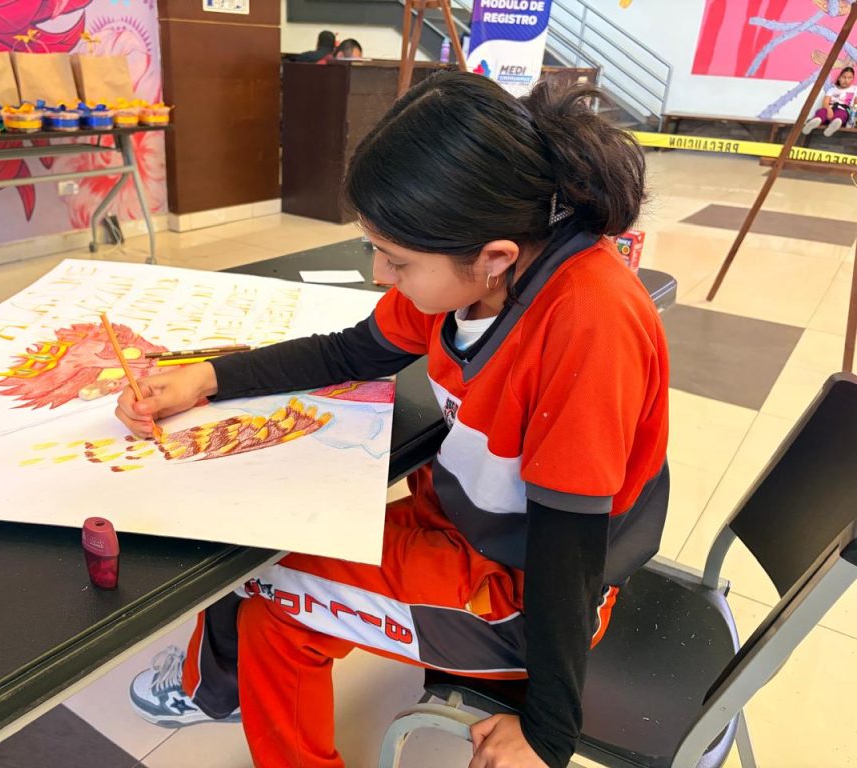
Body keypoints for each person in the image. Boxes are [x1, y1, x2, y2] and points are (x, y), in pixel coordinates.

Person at [119, 72, 670, 768]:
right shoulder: (476, 257)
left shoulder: (588, 324)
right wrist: (207, 376)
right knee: (256, 556)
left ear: (495, 258)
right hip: (466, 526)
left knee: (259, 590)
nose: (382, 275)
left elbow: (570, 545)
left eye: (398, 261)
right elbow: (352, 351)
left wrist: (547, 734)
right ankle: (221, 687)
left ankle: (218, 690)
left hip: (524, 592)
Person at [802, 65, 855, 137]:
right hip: (830, 107)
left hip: (843, 109)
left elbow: (855, 105)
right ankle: (816, 121)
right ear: (839, 78)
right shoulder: (832, 89)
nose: (846, 80)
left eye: (849, 78)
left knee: (841, 115)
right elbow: (825, 103)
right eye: (844, 77)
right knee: (822, 112)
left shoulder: (854, 90)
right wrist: (829, 109)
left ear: (852, 79)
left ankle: (834, 125)